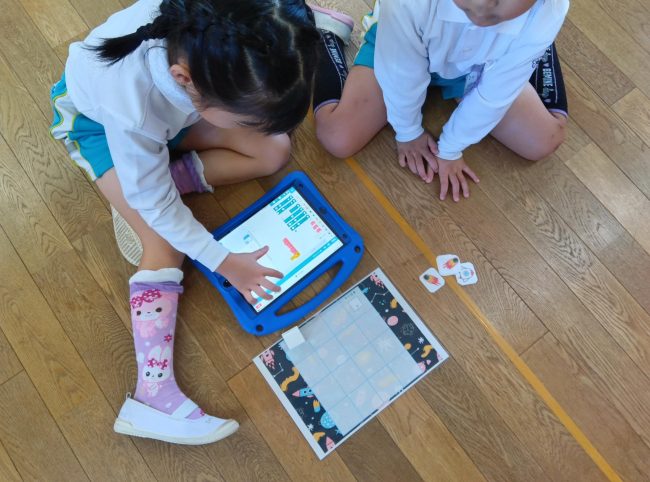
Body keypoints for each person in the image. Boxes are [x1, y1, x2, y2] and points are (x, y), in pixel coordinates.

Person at [49, 0, 340, 444]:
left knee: (274, 149)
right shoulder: (132, 104)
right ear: (186, 79)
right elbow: (159, 197)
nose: (254, 125)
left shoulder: (208, 57)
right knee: (165, 245)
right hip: (98, 127)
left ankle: (146, 184)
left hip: (178, 113)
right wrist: (225, 263)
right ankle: (151, 397)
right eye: (247, 118)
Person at [312, 0, 569, 202]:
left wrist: (451, 147)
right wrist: (407, 131)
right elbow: (400, 73)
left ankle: (537, 49)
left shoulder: (549, 9)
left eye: (498, 11)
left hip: (478, 64)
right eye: (469, 7)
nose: (483, 7)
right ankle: (327, 31)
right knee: (337, 137)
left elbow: (495, 95)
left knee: (544, 140)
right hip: (398, 43)